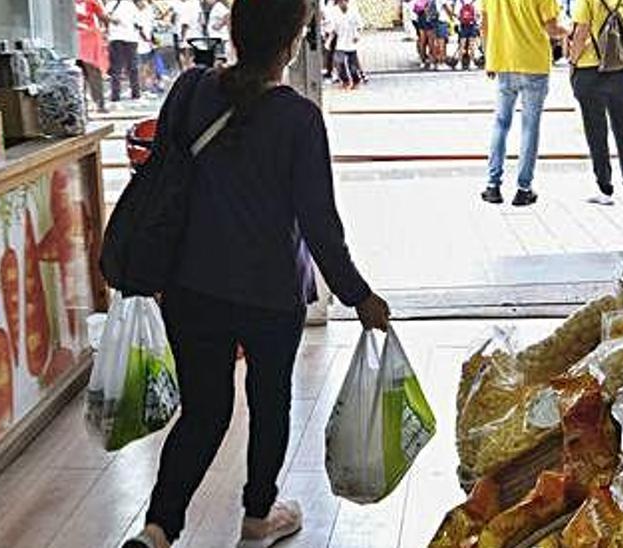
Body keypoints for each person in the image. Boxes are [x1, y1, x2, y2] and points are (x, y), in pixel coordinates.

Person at [120, 0, 391, 545]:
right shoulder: (297, 117)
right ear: (292, 44)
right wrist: (360, 296)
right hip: (270, 294)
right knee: (270, 402)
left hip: (189, 285)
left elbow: (162, 169)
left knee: (203, 412)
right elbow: (319, 225)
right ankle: (257, 515)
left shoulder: (192, 89)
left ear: (237, 33)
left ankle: (156, 530)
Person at [479, 0, 567, 206]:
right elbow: (552, 28)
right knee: (530, 127)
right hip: (534, 64)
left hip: (503, 62)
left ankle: (493, 186)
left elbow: (485, 25)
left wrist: (489, 57)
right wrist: (569, 30)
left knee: (501, 124)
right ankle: (523, 189)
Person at [566, 0, 623, 205]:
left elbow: (581, 34)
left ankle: (605, 189)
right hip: (622, 72)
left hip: (590, 71)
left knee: (596, 132)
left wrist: (573, 63)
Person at [76, 0, 110, 112]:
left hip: (79, 41)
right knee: (92, 74)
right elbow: (104, 17)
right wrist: (106, 30)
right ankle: (98, 104)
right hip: (87, 40)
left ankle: (84, 105)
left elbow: (103, 17)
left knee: (81, 75)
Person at [108, 0, 145, 101]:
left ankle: (115, 95)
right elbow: (139, 23)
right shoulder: (132, 5)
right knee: (132, 67)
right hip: (129, 38)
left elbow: (106, 17)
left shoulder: (112, 4)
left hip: (117, 37)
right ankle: (135, 93)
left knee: (117, 68)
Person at [332, 0, 365, 89]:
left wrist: (357, 36)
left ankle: (356, 81)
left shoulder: (353, 11)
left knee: (352, 66)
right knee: (339, 63)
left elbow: (360, 26)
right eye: (339, 2)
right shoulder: (334, 11)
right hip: (340, 42)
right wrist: (329, 39)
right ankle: (345, 81)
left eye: (343, 1)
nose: (341, 4)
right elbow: (333, 28)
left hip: (351, 41)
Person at [169, 0, 201, 71]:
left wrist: (182, 39)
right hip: (194, 35)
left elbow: (185, 25)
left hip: (186, 37)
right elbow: (201, 20)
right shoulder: (195, 3)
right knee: (189, 58)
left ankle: (186, 73)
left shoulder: (189, 5)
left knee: (186, 58)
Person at [202, 0, 233, 65]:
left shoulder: (219, 6)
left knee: (219, 58)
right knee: (215, 57)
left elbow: (227, 15)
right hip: (214, 37)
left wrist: (220, 24)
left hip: (219, 38)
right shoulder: (214, 7)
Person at [454, 0, 481, 70]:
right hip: (472, 25)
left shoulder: (460, 1)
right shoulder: (475, 1)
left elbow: (456, 14)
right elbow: (478, 14)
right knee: (471, 44)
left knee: (462, 44)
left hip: (463, 25)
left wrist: (460, 21)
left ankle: (459, 63)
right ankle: (471, 62)